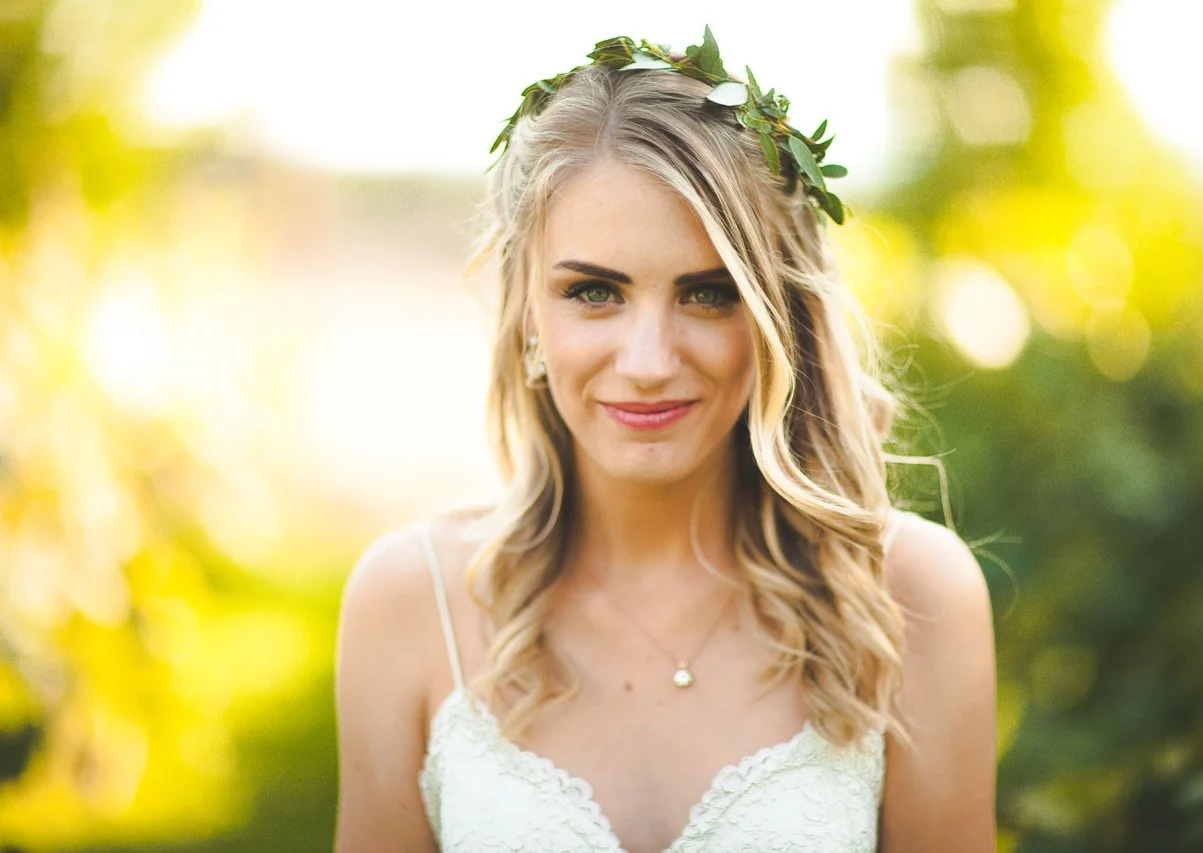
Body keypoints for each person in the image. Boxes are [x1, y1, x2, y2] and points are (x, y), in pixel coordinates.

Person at [334, 29, 996, 853]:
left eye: (709, 293)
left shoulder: (913, 600)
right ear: (528, 313)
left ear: (777, 316)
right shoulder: (406, 603)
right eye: (596, 292)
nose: (649, 362)